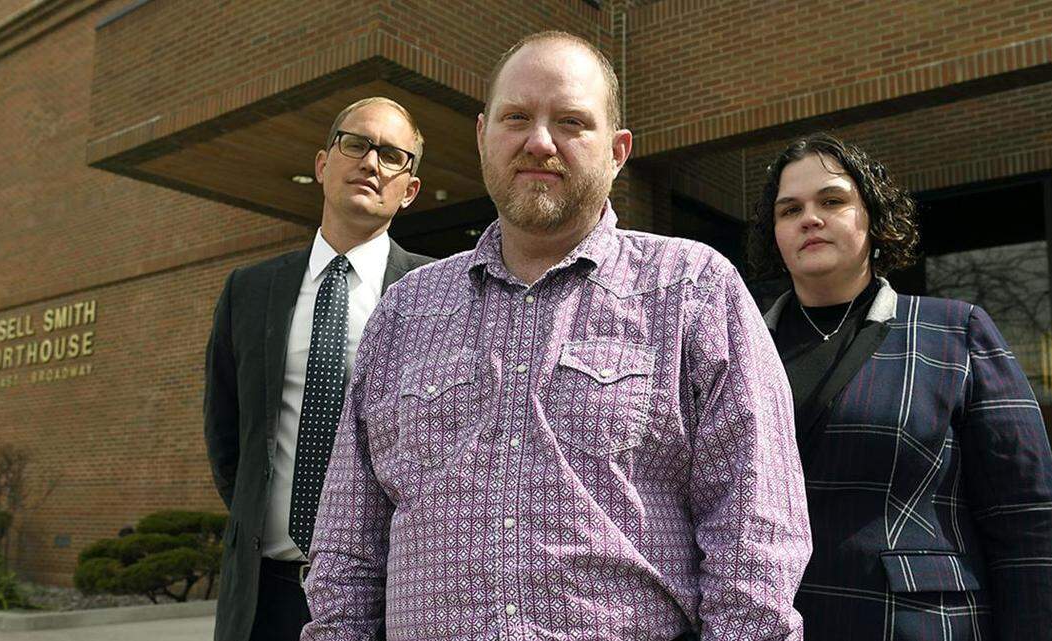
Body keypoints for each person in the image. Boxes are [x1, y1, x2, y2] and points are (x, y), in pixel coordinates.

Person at [302, 31, 810, 641]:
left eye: (571, 122)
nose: (539, 142)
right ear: (483, 134)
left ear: (618, 151)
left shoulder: (693, 289)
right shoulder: (405, 311)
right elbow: (345, 550)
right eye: (517, 117)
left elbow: (757, 537)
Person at [750, 132, 1052, 640]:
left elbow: (1024, 518)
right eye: (788, 210)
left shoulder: (956, 334)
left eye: (832, 201)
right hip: (773, 621)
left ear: (874, 219)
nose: (809, 218)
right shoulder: (737, 343)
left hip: (911, 623)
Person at [204, 96, 433, 641]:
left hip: (382, 601)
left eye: (392, 156)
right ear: (322, 164)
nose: (371, 163)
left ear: (410, 190)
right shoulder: (249, 291)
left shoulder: (436, 294)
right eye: (355, 144)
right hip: (264, 595)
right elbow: (227, 436)